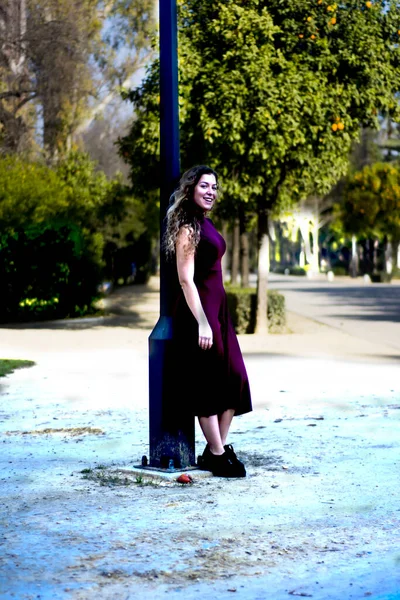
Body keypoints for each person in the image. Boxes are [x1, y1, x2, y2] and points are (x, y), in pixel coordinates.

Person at [163, 165, 252, 478]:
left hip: (219, 312)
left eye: (214, 186)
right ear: (191, 188)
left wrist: (215, 318)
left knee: (235, 379)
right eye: (204, 185)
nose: (211, 191)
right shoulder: (188, 226)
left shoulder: (206, 222)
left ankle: (215, 450)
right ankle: (217, 453)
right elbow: (186, 280)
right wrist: (202, 321)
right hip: (199, 314)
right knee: (208, 386)